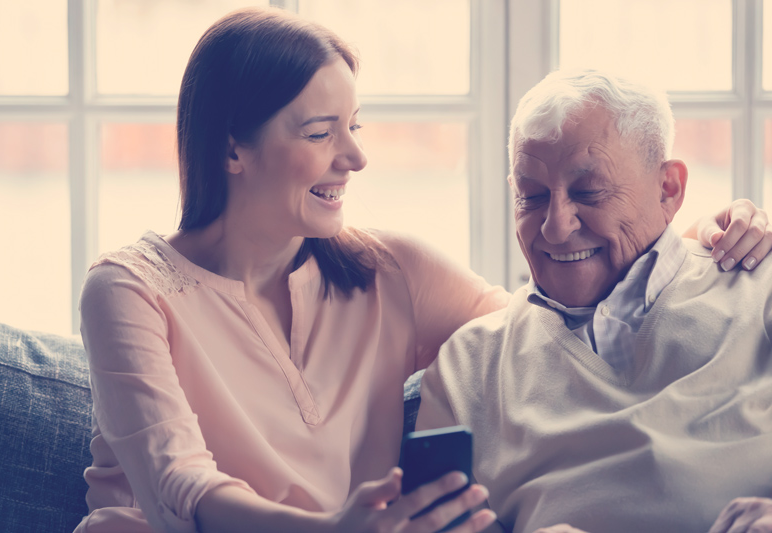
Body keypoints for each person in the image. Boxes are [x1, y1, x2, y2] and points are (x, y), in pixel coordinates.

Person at [75, 9, 769, 533]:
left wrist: (701, 242)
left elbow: (568, 315)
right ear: (233, 148)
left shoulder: (389, 272)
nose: (354, 156)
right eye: (321, 132)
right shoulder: (130, 289)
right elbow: (179, 486)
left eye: (356, 126)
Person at [416, 68, 772, 533]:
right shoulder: (467, 366)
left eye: (588, 192)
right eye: (532, 196)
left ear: (669, 189)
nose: (555, 226)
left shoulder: (756, 285)